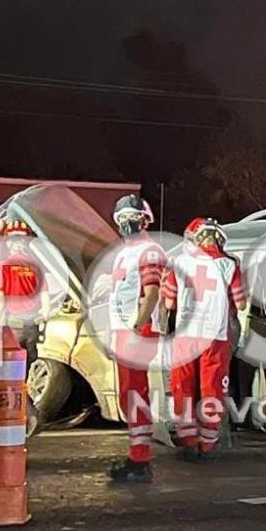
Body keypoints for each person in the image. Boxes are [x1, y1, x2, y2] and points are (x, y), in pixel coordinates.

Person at [162, 217, 246, 462]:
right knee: (212, 389)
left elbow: (168, 303)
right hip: (216, 336)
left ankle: (188, 442)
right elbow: (240, 303)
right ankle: (207, 445)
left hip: (185, 336)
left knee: (183, 388)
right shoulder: (230, 265)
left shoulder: (178, 263)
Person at [107, 194, 166, 483]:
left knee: (135, 394)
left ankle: (140, 459)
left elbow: (152, 292)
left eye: (132, 217)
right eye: (122, 219)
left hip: (137, 331)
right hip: (125, 330)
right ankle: (136, 451)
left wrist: (136, 327)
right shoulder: (123, 253)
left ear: (144, 219)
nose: (127, 224)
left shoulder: (148, 250)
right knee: (127, 395)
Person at [0, 220, 50, 377]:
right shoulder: (36, 267)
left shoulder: (3, 267)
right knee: (29, 366)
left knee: (11, 370)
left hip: (14, 327)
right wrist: (45, 315)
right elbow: (45, 295)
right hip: (33, 326)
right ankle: (25, 395)